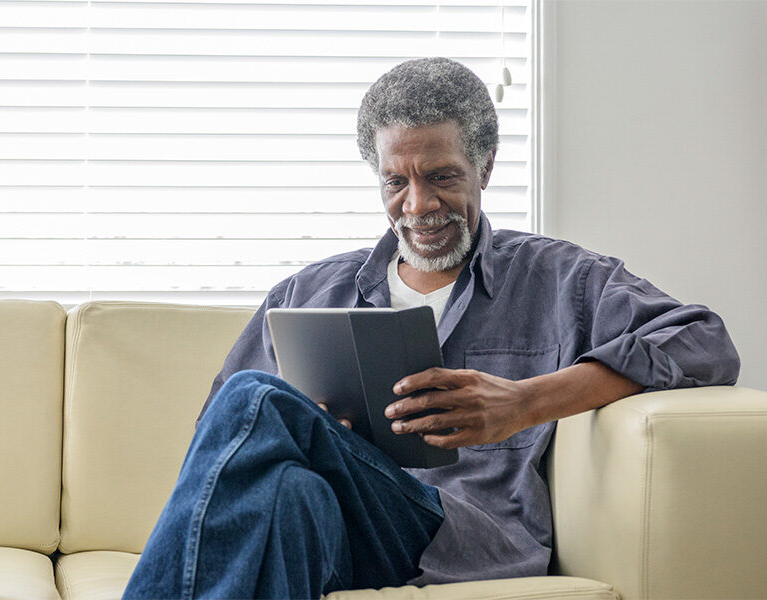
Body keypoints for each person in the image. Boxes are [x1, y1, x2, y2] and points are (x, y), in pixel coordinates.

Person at [123, 57, 740, 599]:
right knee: (287, 490)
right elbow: (218, 441)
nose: (417, 205)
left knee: (252, 397)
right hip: (338, 527)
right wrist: (313, 427)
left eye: (441, 176)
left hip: (463, 531)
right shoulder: (310, 291)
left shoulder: (562, 280)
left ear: (485, 167)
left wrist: (525, 401)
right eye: (396, 182)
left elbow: (704, 340)